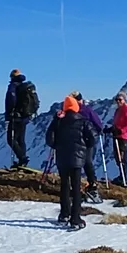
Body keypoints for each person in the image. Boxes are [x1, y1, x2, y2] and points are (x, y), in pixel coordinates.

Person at [45, 94, 96, 229]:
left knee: (64, 186)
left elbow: (49, 139)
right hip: (78, 159)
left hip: (62, 158)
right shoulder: (83, 121)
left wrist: (57, 145)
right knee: (76, 188)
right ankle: (75, 218)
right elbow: (93, 138)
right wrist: (84, 148)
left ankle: (64, 214)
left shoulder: (58, 122)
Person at [74, 91, 106, 201]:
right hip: (88, 140)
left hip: (75, 141)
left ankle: (76, 186)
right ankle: (92, 184)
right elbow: (98, 124)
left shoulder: (70, 111)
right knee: (87, 162)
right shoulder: (87, 110)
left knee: (77, 163)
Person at [4, 69, 39, 169]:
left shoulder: (13, 86)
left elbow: (11, 100)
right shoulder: (25, 86)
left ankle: (22, 158)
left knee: (11, 139)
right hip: (24, 117)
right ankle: (22, 161)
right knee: (21, 139)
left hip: (16, 116)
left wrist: (10, 112)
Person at [108, 90, 127, 186]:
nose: (118, 102)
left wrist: (121, 131)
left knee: (122, 157)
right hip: (116, 136)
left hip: (123, 137)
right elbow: (117, 124)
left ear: (124, 100)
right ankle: (121, 175)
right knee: (117, 157)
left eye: (120, 100)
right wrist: (111, 129)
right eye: (117, 100)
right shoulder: (117, 111)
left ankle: (124, 177)